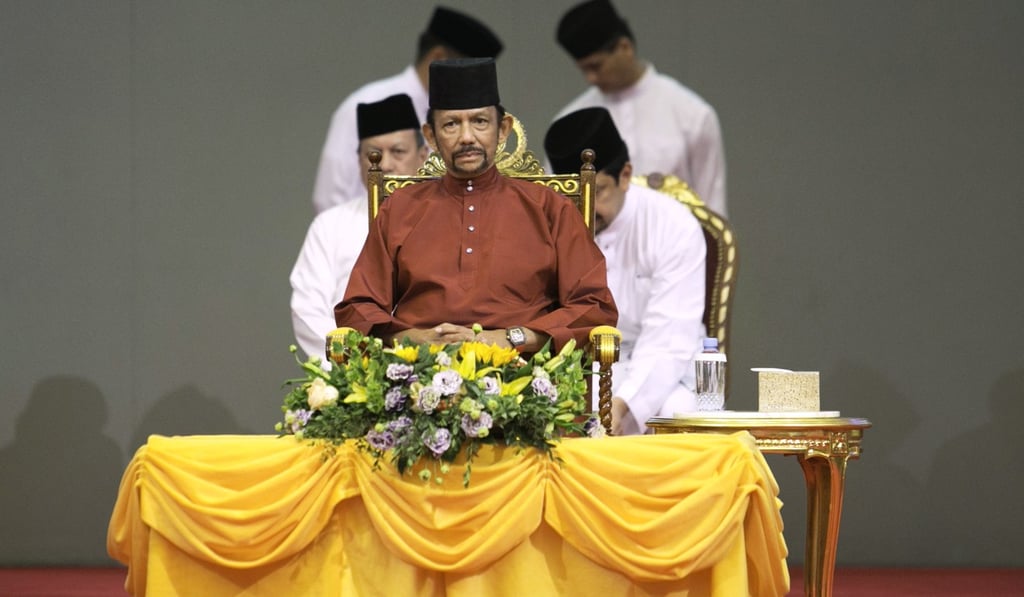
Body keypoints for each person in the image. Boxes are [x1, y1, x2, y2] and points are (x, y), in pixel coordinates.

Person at [335, 58, 617, 353]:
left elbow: (594, 306)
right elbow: (358, 308)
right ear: (430, 136)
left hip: (527, 377)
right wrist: (415, 338)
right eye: (451, 124)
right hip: (417, 377)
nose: (467, 137)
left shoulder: (549, 208)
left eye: (480, 121)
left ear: (503, 129)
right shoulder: (400, 209)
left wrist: (511, 338)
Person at [544, 106, 706, 435]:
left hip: (665, 371)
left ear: (626, 175)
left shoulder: (671, 225)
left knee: (677, 412)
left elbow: (669, 337)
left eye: (597, 191)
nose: (585, 208)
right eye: (574, 194)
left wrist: (618, 406)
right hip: (582, 368)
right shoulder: (548, 225)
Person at [311, 6, 503, 214]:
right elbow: (330, 197)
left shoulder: (471, 118)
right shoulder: (367, 103)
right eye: (468, 74)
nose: (473, 86)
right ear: (437, 57)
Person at [553, 0, 728, 216]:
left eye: (596, 66)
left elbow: (712, 211)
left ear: (625, 48)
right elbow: (556, 206)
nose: (590, 78)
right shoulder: (572, 121)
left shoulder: (692, 114)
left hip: (675, 246)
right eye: (583, 70)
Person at [291, 94, 428, 359]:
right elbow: (308, 310)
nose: (385, 164)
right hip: (354, 376)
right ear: (358, 161)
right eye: (373, 154)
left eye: (398, 151)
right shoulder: (330, 225)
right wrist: (355, 368)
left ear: (423, 156)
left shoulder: (444, 217)